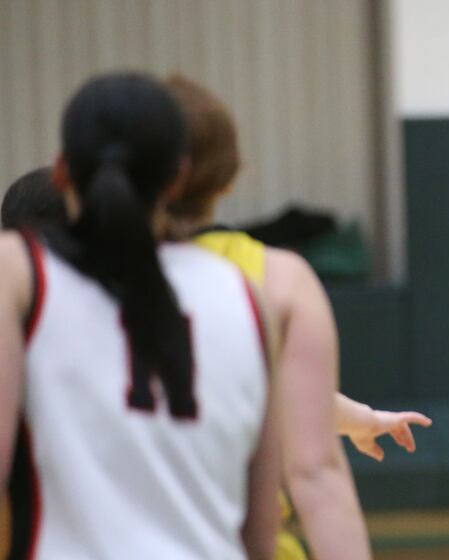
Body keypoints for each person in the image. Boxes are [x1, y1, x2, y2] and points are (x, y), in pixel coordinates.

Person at [0, 72, 365, 560]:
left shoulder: (23, 277)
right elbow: (264, 527)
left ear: (62, 171)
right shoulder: (253, 295)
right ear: (176, 177)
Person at [162, 74, 430, 560]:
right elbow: (314, 471)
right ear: (229, 176)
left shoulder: (66, 279)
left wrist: (359, 417)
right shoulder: (276, 277)